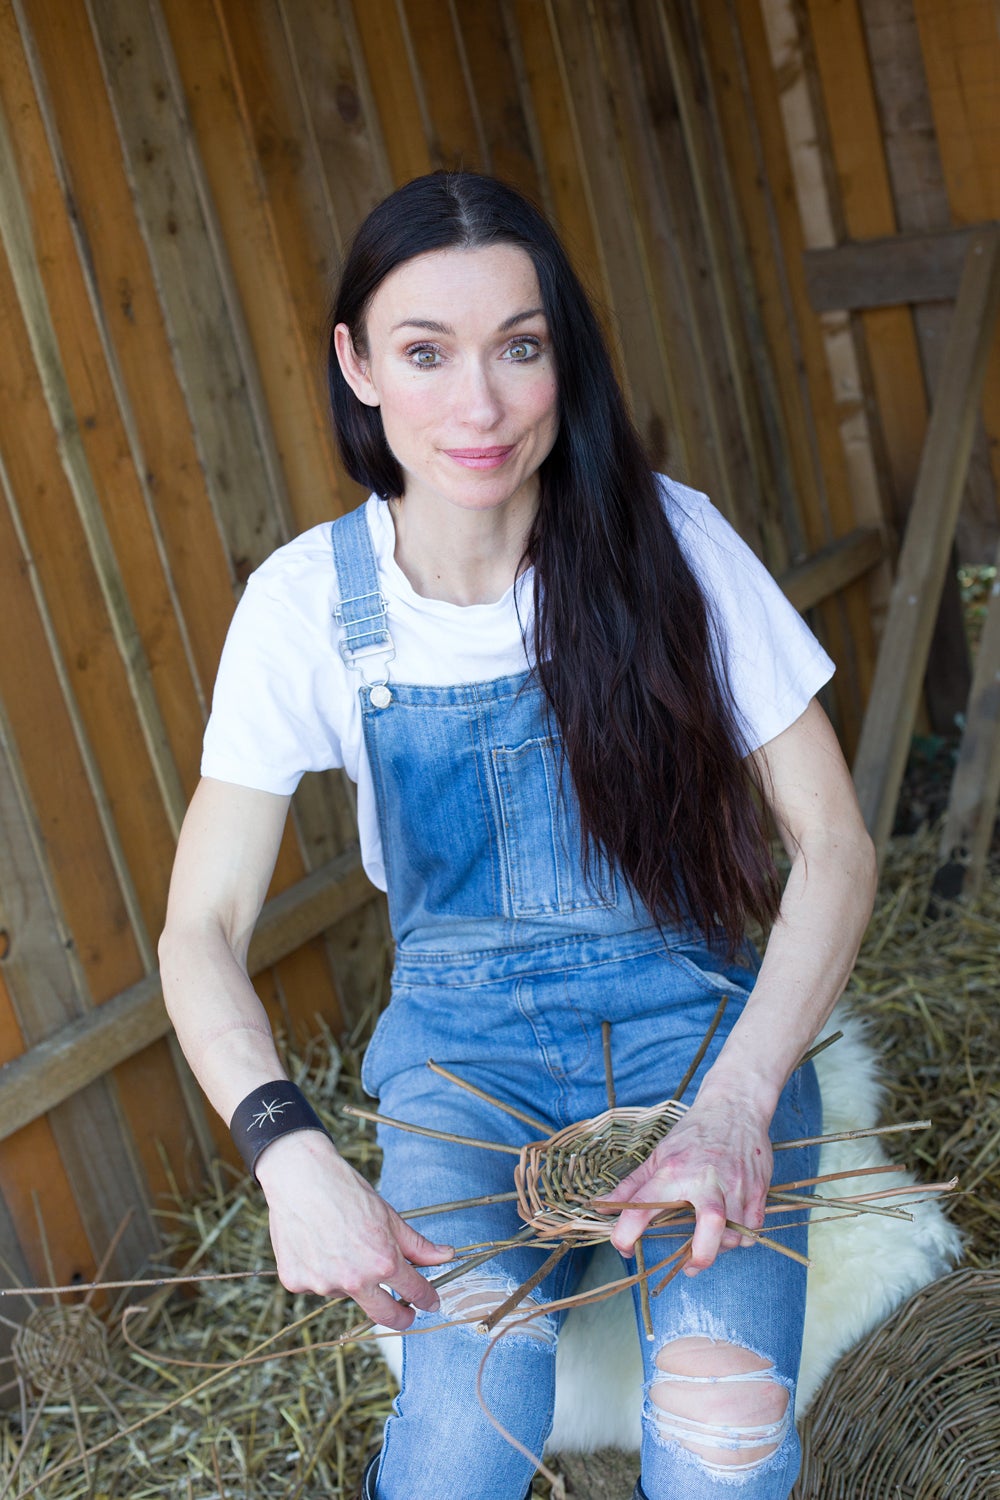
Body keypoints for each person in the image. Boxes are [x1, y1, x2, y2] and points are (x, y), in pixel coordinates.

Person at [158, 171, 877, 1500]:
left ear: (564, 357)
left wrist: (737, 1105)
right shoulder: (307, 605)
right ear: (357, 365)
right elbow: (199, 927)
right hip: (463, 1064)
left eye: (520, 348)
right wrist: (287, 1150)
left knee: (722, 1445)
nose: (477, 407)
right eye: (425, 352)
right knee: (453, 1450)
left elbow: (836, 848)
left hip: (693, 1036)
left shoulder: (674, 545)